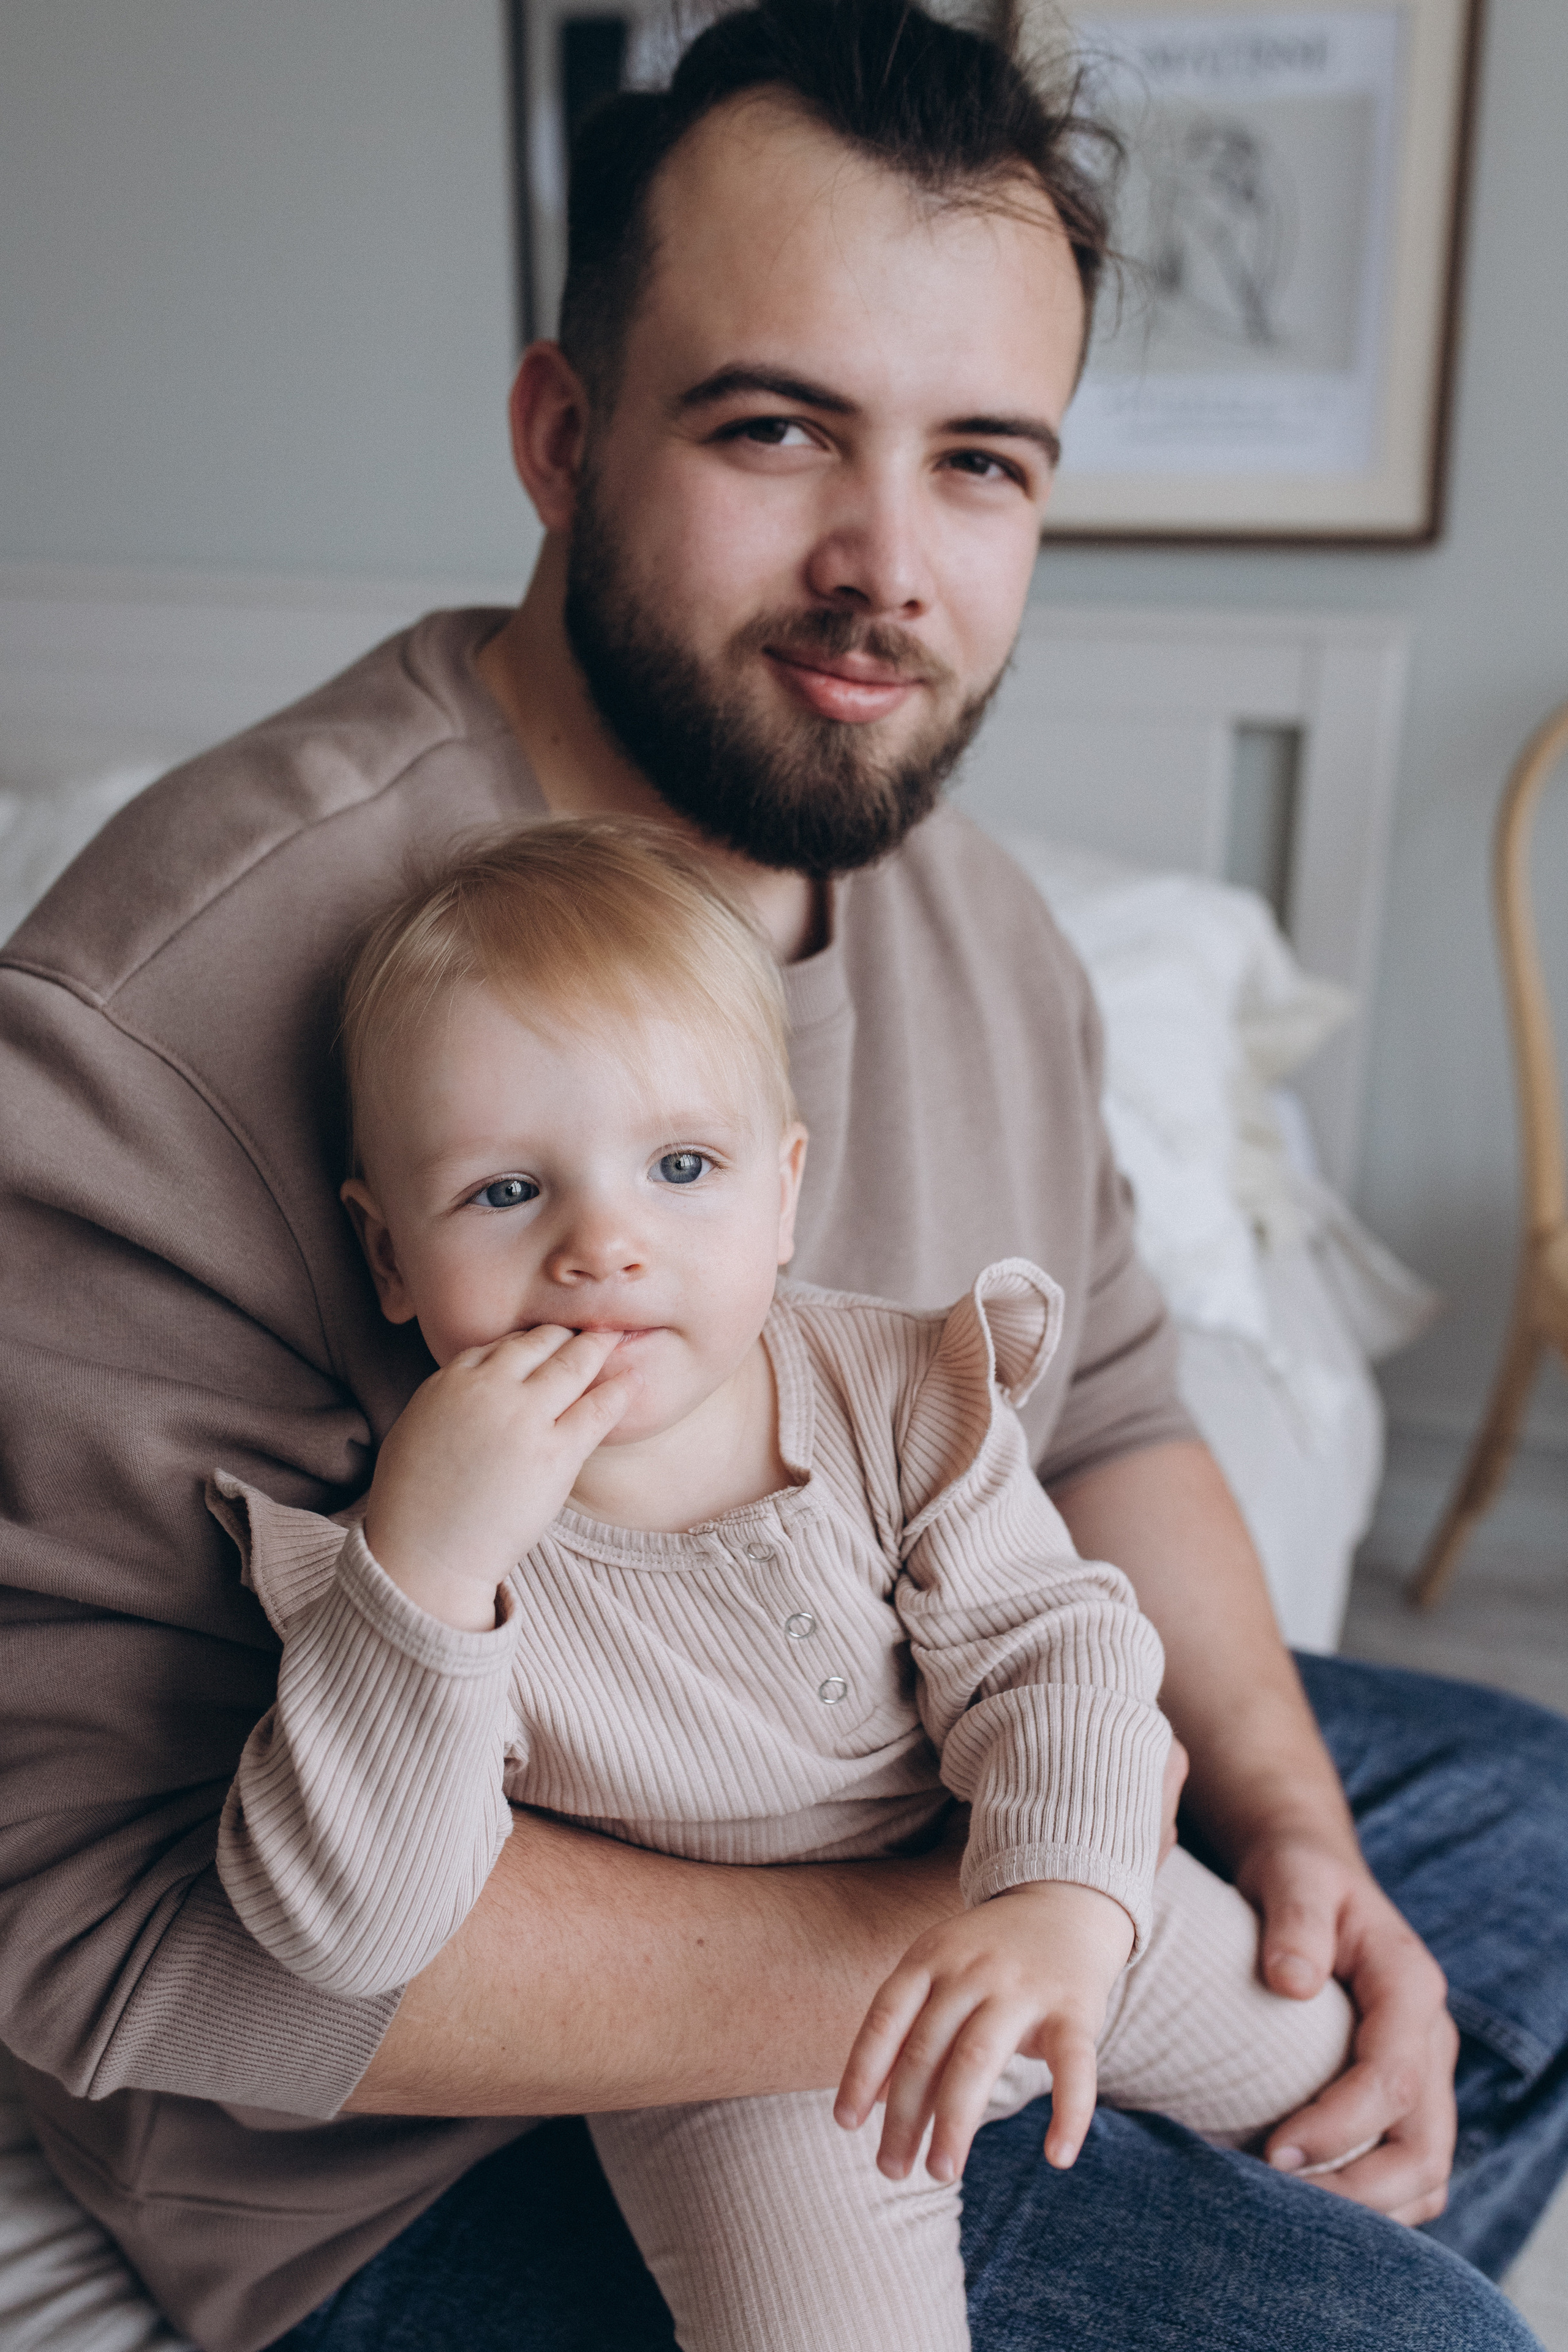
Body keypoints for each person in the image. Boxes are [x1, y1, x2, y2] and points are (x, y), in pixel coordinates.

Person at [0, 2, 1559, 2348]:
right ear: (563, 435)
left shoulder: (978, 918)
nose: (887, 568)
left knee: (1526, 1844)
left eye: (984, 464)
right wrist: (993, 1939)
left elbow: (1115, 1415)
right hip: (422, 2142)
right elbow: (84, 1915)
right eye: (775, 430)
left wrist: (1280, 1831)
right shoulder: (150, 1020)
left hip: (933, 1801)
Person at [206, 818, 1354, 2352]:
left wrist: (1065, 1900)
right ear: (387, 1253)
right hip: (742, 2072)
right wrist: (430, 1572)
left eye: (681, 1167)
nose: (603, 1245)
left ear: (783, 1190)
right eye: (504, 1192)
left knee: (1335, 2080)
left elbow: (1058, 1651)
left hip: (1023, 1883)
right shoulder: (413, 1560)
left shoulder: (898, 1390)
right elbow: (350, 1930)